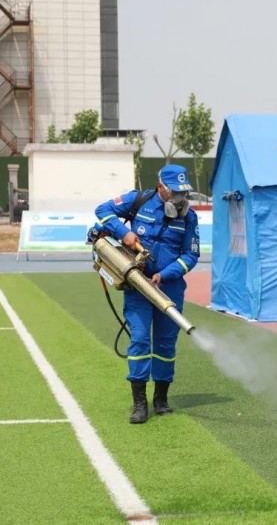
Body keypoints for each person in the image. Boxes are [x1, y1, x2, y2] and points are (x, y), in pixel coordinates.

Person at [92, 164, 200, 423]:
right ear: (161, 187)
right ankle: (139, 403)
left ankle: (161, 399)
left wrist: (166, 274)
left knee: (165, 343)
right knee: (140, 339)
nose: (180, 198)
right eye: (175, 192)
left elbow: (191, 255)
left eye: (183, 192)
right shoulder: (138, 200)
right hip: (137, 285)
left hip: (169, 288)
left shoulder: (189, 217)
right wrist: (124, 232)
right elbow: (102, 210)